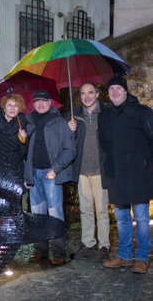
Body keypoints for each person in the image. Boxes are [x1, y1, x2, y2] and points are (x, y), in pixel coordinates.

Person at [99, 76, 153, 274]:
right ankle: (124, 255)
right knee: (121, 218)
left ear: (125, 91)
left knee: (140, 217)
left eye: (118, 88)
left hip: (138, 174)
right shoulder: (105, 115)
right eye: (111, 89)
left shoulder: (142, 112)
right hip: (116, 174)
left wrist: (146, 165)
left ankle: (142, 258)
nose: (114, 92)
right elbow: (103, 142)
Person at [24, 89, 76, 265]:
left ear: (50, 103)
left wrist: (55, 169)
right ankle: (41, 251)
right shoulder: (29, 122)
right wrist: (27, 174)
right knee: (37, 215)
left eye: (44, 101)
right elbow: (27, 154)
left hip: (50, 174)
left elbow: (70, 149)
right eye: (37, 101)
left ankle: (59, 253)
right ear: (33, 104)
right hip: (34, 176)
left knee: (54, 214)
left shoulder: (59, 122)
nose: (40, 104)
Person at [68, 82, 110, 260]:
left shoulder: (107, 114)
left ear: (97, 94)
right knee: (85, 210)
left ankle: (104, 245)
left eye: (90, 92)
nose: (87, 96)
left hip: (100, 169)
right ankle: (88, 244)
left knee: (101, 210)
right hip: (82, 169)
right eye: (83, 93)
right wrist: (71, 131)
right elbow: (69, 143)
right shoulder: (75, 115)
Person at [0, 93, 27, 159]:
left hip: (12, 165)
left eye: (16, 106)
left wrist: (23, 142)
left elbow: (22, 155)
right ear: (4, 108)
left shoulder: (22, 124)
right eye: (9, 105)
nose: (12, 108)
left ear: (19, 109)